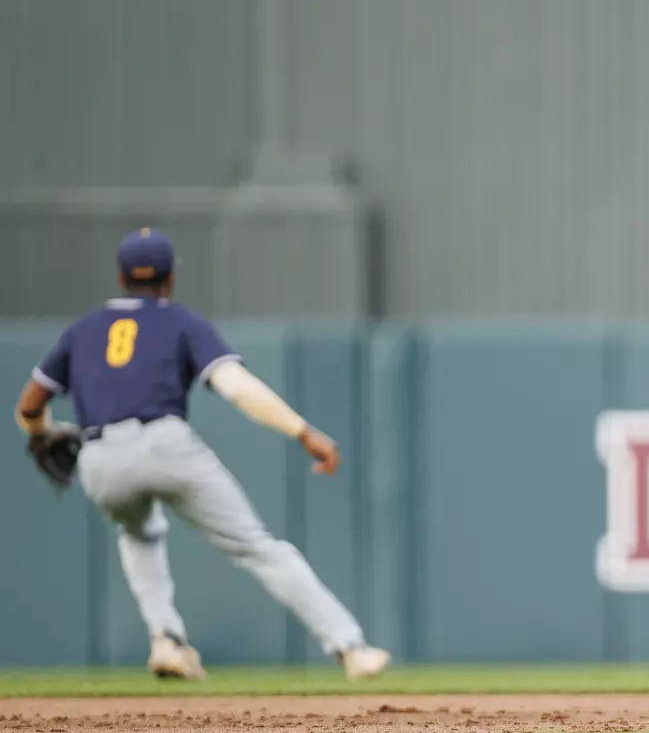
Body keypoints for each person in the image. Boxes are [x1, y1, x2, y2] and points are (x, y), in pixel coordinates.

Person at [15, 228, 391, 681]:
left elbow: (30, 404)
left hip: (99, 457)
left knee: (138, 533)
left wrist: (42, 434)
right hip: (165, 443)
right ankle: (350, 647)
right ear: (170, 279)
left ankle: (166, 638)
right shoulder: (180, 322)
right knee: (257, 548)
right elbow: (237, 387)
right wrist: (303, 431)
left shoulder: (84, 328)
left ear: (120, 277)